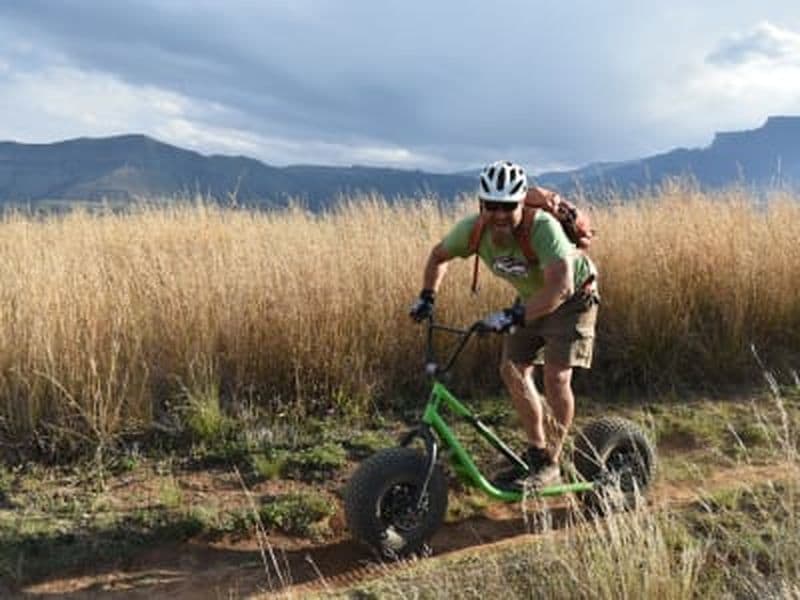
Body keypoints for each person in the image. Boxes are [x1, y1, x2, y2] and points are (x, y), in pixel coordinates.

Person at [409, 160, 599, 489]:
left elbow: (561, 287)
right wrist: (427, 297)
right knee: (512, 370)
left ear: (521, 202)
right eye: (491, 206)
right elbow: (438, 256)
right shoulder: (472, 230)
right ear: (481, 203)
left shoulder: (543, 229)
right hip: (531, 300)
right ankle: (537, 454)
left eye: (507, 206)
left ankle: (551, 461)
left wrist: (512, 317)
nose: (498, 214)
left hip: (573, 299)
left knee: (556, 377)